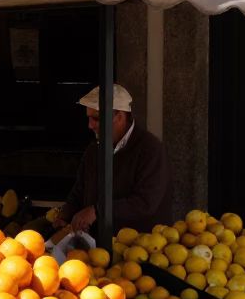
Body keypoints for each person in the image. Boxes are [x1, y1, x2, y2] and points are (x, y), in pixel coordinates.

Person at [54, 84, 173, 237]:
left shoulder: (151, 149)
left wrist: (98, 211)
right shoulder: (94, 149)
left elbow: (145, 203)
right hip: (98, 247)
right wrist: (66, 212)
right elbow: (80, 190)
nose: (90, 126)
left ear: (119, 117)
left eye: (96, 119)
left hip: (142, 247)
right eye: (89, 118)